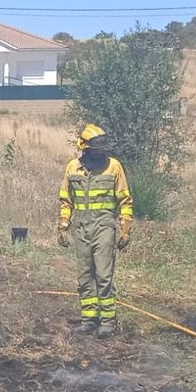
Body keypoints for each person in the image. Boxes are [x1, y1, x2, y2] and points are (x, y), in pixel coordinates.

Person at [57, 123, 133, 336]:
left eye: (103, 148)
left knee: (103, 274)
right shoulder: (73, 168)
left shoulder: (114, 167)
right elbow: (66, 201)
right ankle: (89, 318)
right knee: (84, 275)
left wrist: (125, 229)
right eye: (96, 149)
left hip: (104, 227)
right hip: (81, 228)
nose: (101, 153)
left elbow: (125, 200)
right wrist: (63, 227)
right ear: (85, 148)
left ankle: (107, 321)